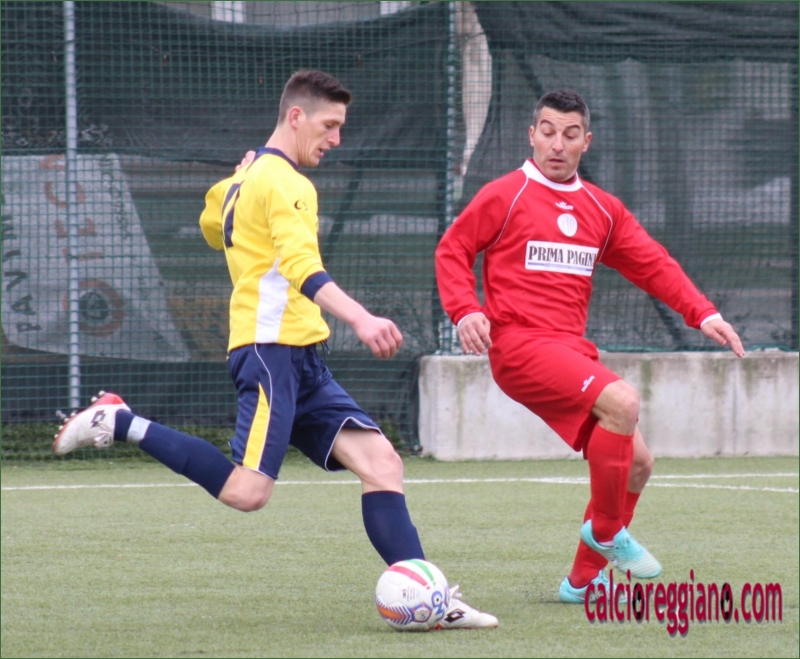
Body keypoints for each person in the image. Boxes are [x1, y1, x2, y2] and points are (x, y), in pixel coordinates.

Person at [53, 69, 497, 630]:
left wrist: (240, 177)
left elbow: (211, 226)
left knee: (382, 462)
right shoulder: (288, 182)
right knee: (248, 493)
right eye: (329, 125)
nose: (336, 138)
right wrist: (361, 317)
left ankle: (430, 599)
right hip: (272, 355)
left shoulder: (244, 180)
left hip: (301, 356)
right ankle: (120, 421)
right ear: (296, 116)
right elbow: (301, 267)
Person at [435, 89, 745, 604]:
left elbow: (652, 263)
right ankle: (606, 532)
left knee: (639, 463)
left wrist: (704, 313)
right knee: (622, 401)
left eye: (570, 134)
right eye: (548, 132)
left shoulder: (602, 208)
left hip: (571, 351)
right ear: (532, 136)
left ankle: (582, 581)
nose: (557, 144)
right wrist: (466, 309)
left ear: (586, 142)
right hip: (518, 346)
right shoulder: (505, 194)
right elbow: (453, 249)